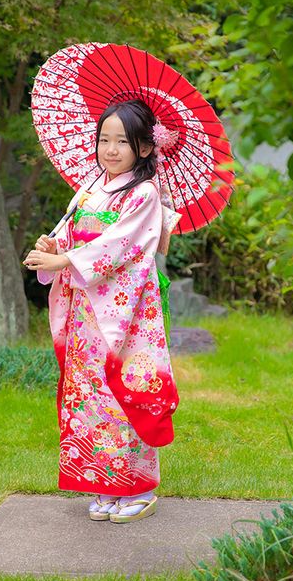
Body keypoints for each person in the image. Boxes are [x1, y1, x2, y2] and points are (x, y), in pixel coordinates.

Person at [23, 99, 181, 523]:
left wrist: (66, 260)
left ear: (144, 147)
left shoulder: (145, 193)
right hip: (85, 313)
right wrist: (53, 246)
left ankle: (139, 488)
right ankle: (104, 483)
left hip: (125, 314)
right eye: (104, 139)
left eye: (122, 142)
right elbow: (70, 235)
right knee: (89, 392)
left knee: (125, 390)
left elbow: (120, 247)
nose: (110, 150)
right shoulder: (91, 188)